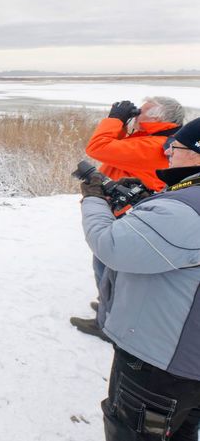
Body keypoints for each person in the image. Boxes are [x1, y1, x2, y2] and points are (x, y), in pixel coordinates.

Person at [80, 116, 200, 440]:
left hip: (159, 363)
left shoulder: (186, 210)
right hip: (188, 359)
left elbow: (111, 245)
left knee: (131, 430)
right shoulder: (184, 202)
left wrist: (93, 199)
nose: (169, 152)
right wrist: (153, 204)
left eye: (177, 146)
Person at [71, 96, 184, 340]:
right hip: (125, 210)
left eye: (141, 112)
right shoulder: (152, 140)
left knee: (108, 264)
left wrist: (115, 119)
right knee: (109, 267)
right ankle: (107, 306)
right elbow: (115, 150)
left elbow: (98, 148)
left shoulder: (154, 145)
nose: (135, 116)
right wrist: (123, 124)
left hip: (126, 214)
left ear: (157, 119)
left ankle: (107, 323)